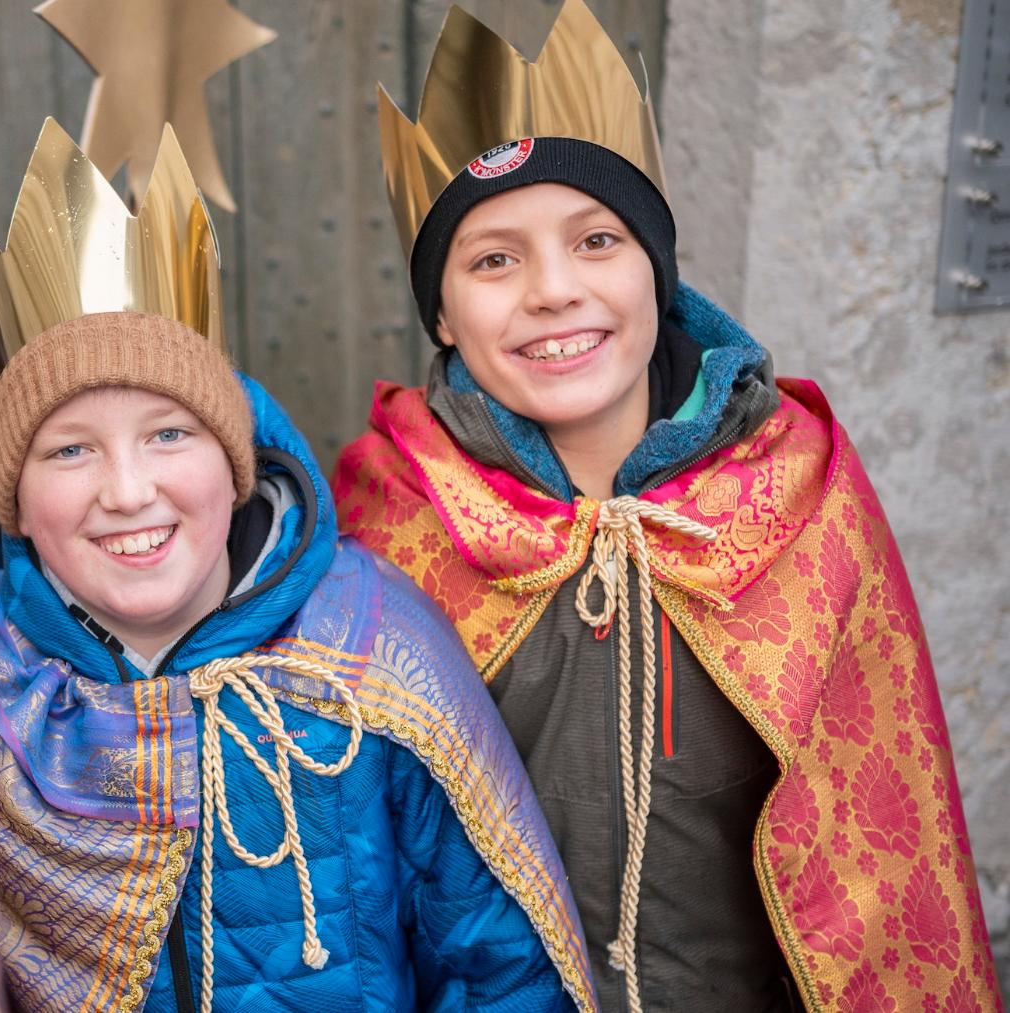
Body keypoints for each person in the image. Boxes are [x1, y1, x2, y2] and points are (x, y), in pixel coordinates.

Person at [334, 4, 997, 1010]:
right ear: (440, 310)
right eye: (494, 259)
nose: (554, 290)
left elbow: (885, 835)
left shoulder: (801, 490)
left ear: (657, 267)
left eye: (597, 239)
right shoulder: (389, 525)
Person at [0, 119, 594, 1013]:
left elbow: (496, 966)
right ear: (14, 501)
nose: (127, 491)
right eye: (70, 451)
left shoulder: (370, 646)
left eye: (168, 434)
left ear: (234, 462)